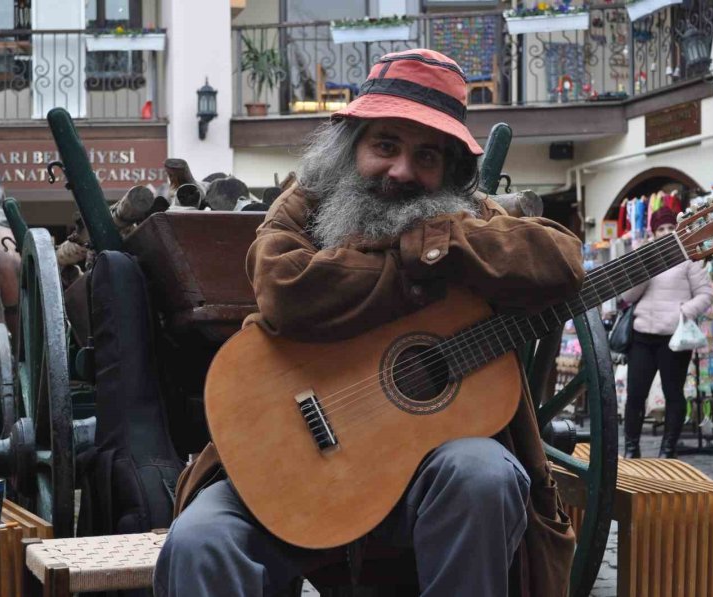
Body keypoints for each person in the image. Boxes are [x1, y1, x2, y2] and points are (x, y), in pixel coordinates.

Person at [154, 49, 585, 597]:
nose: (402, 171)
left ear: (449, 173)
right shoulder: (301, 207)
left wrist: (440, 238)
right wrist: (414, 259)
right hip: (289, 462)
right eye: (385, 145)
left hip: (419, 481)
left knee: (484, 474)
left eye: (426, 156)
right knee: (199, 542)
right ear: (350, 144)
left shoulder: (467, 217)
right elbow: (288, 290)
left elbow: (563, 261)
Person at [620, 206, 713, 459]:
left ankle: (667, 449)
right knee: (636, 394)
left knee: (674, 393)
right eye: (661, 228)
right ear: (653, 232)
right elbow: (627, 297)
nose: (666, 232)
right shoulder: (643, 257)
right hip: (642, 335)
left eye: (671, 227)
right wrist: (643, 272)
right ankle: (631, 448)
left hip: (674, 337)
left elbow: (706, 294)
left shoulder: (688, 258)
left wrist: (684, 311)